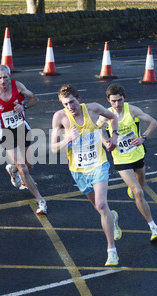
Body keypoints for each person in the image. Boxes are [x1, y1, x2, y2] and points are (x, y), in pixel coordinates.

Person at [51, 83, 122, 267]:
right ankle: (112, 218)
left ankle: (111, 251)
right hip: (78, 170)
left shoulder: (93, 109)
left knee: (101, 203)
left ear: (79, 99)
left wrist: (114, 136)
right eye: (65, 104)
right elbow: (53, 148)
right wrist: (67, 139)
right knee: (99, 208)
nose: (69, 107)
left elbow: (113, 117)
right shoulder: (59, 117)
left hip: (98, 163)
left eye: (72, 102)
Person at [97, 83, 157, 242]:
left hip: (137, 155)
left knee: (141, 189)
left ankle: (134, 191)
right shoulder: (106, 115)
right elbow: (96, 128)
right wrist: (105, 141)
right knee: (138, 192)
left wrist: (143, 137)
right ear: (108, 100)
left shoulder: (132, 110)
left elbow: (154, 122)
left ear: (124, 98)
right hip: (121, 159)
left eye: (119, 100)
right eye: (113, 101)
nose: (117, 104)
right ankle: (153, 228)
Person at [0, 64, 47, 215]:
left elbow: (34, 98)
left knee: (29, 166)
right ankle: (41, 200)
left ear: (9, 76)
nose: (3, 81)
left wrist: (23, 106)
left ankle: (12, 169)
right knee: (23, 168)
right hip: (5, 132)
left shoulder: (17, 85)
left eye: (5, 77)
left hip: (21, 127)